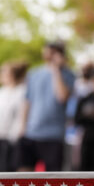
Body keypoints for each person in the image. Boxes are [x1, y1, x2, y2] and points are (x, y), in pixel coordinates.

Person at [19, 41, 75, 172]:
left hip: (53, 134)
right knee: (23, 174)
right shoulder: (34, 73)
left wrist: (56, 70)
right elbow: (27, 101)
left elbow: (62, 96)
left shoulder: (68, 74)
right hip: (31, 132)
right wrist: (22, 126)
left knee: (52, 178)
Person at [0, 60, 28, 172]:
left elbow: (21, 117)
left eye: (3, 72)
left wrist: (16, 135)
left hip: (10, 140)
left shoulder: (22, 92)